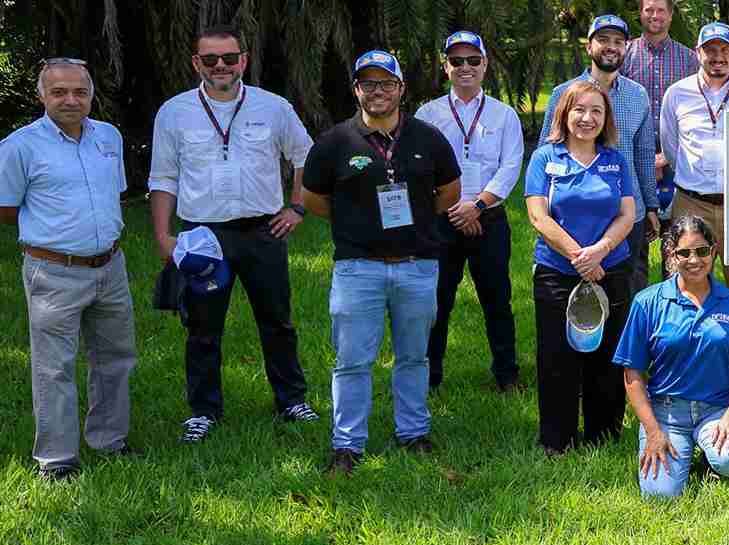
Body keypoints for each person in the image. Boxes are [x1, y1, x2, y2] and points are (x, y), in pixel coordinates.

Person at [148, 26, 316, 443]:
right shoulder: (174, 112)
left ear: (244, 59)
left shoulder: (273, 107)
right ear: (196, 64)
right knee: (203, 328)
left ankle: (291, 400)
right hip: (203, 236)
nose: (220, 66)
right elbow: (163, 177)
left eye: (228, 58)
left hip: (263, 232)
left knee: (277, 321)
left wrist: (297, 207)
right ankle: (204, 411)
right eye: (210, 60)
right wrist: (163, 237)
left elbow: (306, 156)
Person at [300, 50, 461, 475]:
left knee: (414, 356)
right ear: (356, 89)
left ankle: (413, 433)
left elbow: (449, 193)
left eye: (386, 84)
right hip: (358, 268)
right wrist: (356, 220)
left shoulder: (428, 138)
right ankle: (347, 444)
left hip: (416, 265)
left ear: (401, 89)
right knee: (352, 360)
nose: (378, 92)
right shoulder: (334, 143)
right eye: (368, 84)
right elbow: (313, 199)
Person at [0, 58, 136, 480]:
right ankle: (57, 459)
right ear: (41, 95)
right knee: (54, 367)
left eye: (79, 91)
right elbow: (5, 207)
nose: (70, 100)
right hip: (53, 272)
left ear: (91, 95)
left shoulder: (108, 137)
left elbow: (115, 193)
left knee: (115, 358)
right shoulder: (19, 146)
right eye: (59, 92)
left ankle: (110, 441)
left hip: (111, 267)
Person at [616, 214, 729, 498]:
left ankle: (712, 456)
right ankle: (680, 451)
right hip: (667, 412)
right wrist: (652, 430)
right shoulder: (647, 303)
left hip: (718, 409)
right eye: (684, 253)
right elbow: (632, 374)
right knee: (661, 494)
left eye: (701, 251)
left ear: (714, 251)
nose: (694, 260)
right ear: (671, 255)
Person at [523, 81, 637, 454]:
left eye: (596, 111)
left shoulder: (615, 159)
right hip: (557, 272)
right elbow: (539, 216)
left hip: (610, 269)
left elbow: (627, 214)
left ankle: (603, 436)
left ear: (605, 119)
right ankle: (558, 441)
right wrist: (579, 257)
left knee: (606, 356)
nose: (587, 118)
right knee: (557, 358)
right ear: (564, 113)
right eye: (579, 110)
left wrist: (599, 252)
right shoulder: (544, 158)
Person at [415, 31, 524, 394]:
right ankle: (430, 376)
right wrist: (453, 210)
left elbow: (510, 167)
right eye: (457, 61)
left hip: (488, 218)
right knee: (436, 301)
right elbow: (420, 169)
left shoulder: (504, 114)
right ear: (445, 66)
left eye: (473, 60)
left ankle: (507, 375)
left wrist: (477, 206)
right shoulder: (427, 114)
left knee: (497, 299)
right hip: (441, 221)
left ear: (485, 65)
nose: (465, 67)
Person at [542, 15, 656, 292]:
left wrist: (651, 205)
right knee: (573, 295)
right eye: (603, 40)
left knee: (628, 293)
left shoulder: (638, 95)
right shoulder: (563, 94)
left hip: (629, 213)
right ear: (589, 46)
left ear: (627, 48)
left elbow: (643, 154)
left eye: (618, 41)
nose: (611, 47)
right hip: (575, 212)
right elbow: (548, 152)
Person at [659, 21, 729, 302]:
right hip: (691, 201)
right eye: (710, 50)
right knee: (683, 282)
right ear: (698, 53)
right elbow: (671, 146)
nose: (718, 56)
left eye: (725, 49)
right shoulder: (677, 93)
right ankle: (684, 343)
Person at [621, 0, 699, 281]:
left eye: (661, 10)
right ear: (640, 13)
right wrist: (644, 160)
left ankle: (673, 302)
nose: (655, 16)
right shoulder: (625, 55)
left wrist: (664, 157)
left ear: (670, 15)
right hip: (632, 160)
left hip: (677, 160)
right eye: (648, 10)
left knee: (676, 242)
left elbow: (695, 113)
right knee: (636, 239)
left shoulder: (689, 59)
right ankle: (638, 308)